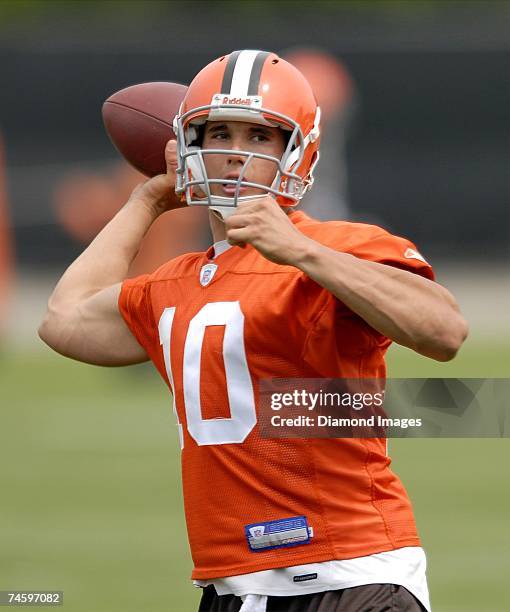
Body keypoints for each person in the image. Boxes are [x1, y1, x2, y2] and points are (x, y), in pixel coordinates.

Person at [39, 50, 468, 612]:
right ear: (188, 148)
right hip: (233, 588)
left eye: (259, 137)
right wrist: (147, 199)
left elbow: (445, 331)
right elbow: (63, 320)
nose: (235, 154)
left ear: (297, 152)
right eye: (217, 132)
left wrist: (299, 249)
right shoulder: (178, 285)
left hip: (352, 576)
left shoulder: (339, 246)